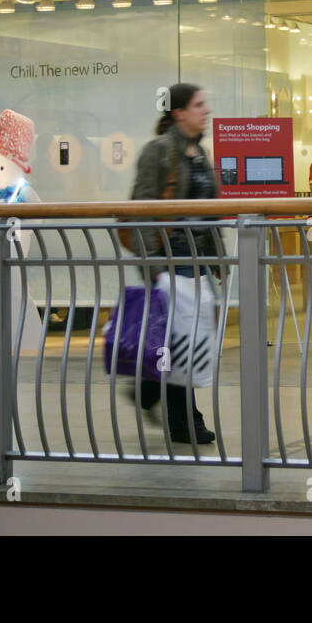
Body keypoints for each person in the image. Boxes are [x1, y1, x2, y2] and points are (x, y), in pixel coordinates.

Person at [128, 82, 219, 444]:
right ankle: (184, 421)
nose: (206, 111)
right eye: (199, 105)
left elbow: (209, 210)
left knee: (187, 338)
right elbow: (140, 209)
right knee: (183, 339)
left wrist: (215, 256)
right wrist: (154, 266)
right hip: (168, 259)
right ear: (179, 112)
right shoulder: (159, 151)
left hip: (194, 261)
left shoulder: (199, 154)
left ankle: (149, 390)